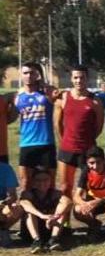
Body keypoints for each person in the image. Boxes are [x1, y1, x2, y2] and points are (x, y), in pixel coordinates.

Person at [55, 64, 104, 196]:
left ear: (87, 79)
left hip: (87, 151)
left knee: (90, 188)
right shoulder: (63, 97)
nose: (78, 81)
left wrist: (87, 140)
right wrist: (64, 140)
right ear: (71, 79)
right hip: (67, 150)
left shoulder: (95, 101)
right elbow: (57, 124)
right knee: (65, 187)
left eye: (82, 77)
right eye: (75, 77)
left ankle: (89, 216)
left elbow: (99, 127)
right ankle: (65, 217)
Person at [16, 62, 59, 190]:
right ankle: (28, 210)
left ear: (37, 75)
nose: (28, 76)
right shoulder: (18, 96)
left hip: (46, 144)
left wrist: (44, 84)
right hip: (26, 144)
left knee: (49, 183)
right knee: (26, 183)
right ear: (21, 75)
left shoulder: (47, 93)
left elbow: (57, 93)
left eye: (32, 73)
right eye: (25, 73)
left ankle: (50, 209)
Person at [72, 147, 105, 240]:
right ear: (87, 162)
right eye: (91, 163)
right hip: (93, 203)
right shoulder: (86, 171)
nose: (95, 166)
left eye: (98, 162)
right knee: (77, 209)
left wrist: (100, 201)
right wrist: (84, 204)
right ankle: (95, 225)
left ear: (104, 161)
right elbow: (76, 195)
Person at [20, 169, 69, 253]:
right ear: (33, 182)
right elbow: (24, 203)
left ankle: (53, 240)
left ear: (50, 181)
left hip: (50, 227)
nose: (42, 183)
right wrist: (42, 215)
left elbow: (67, 202)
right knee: (29, 213)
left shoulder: (55, 193)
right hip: (32, 230)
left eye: (45, 180)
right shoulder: (28, 193)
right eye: (38, 180)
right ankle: (36, 241)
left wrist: (55, 216)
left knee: (62, 213)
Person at [0, 159, 22, 247]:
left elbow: (13, 196)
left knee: (18, 209)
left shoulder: (6, 169)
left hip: (2, 204)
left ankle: (3, 230)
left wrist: (3, 202)